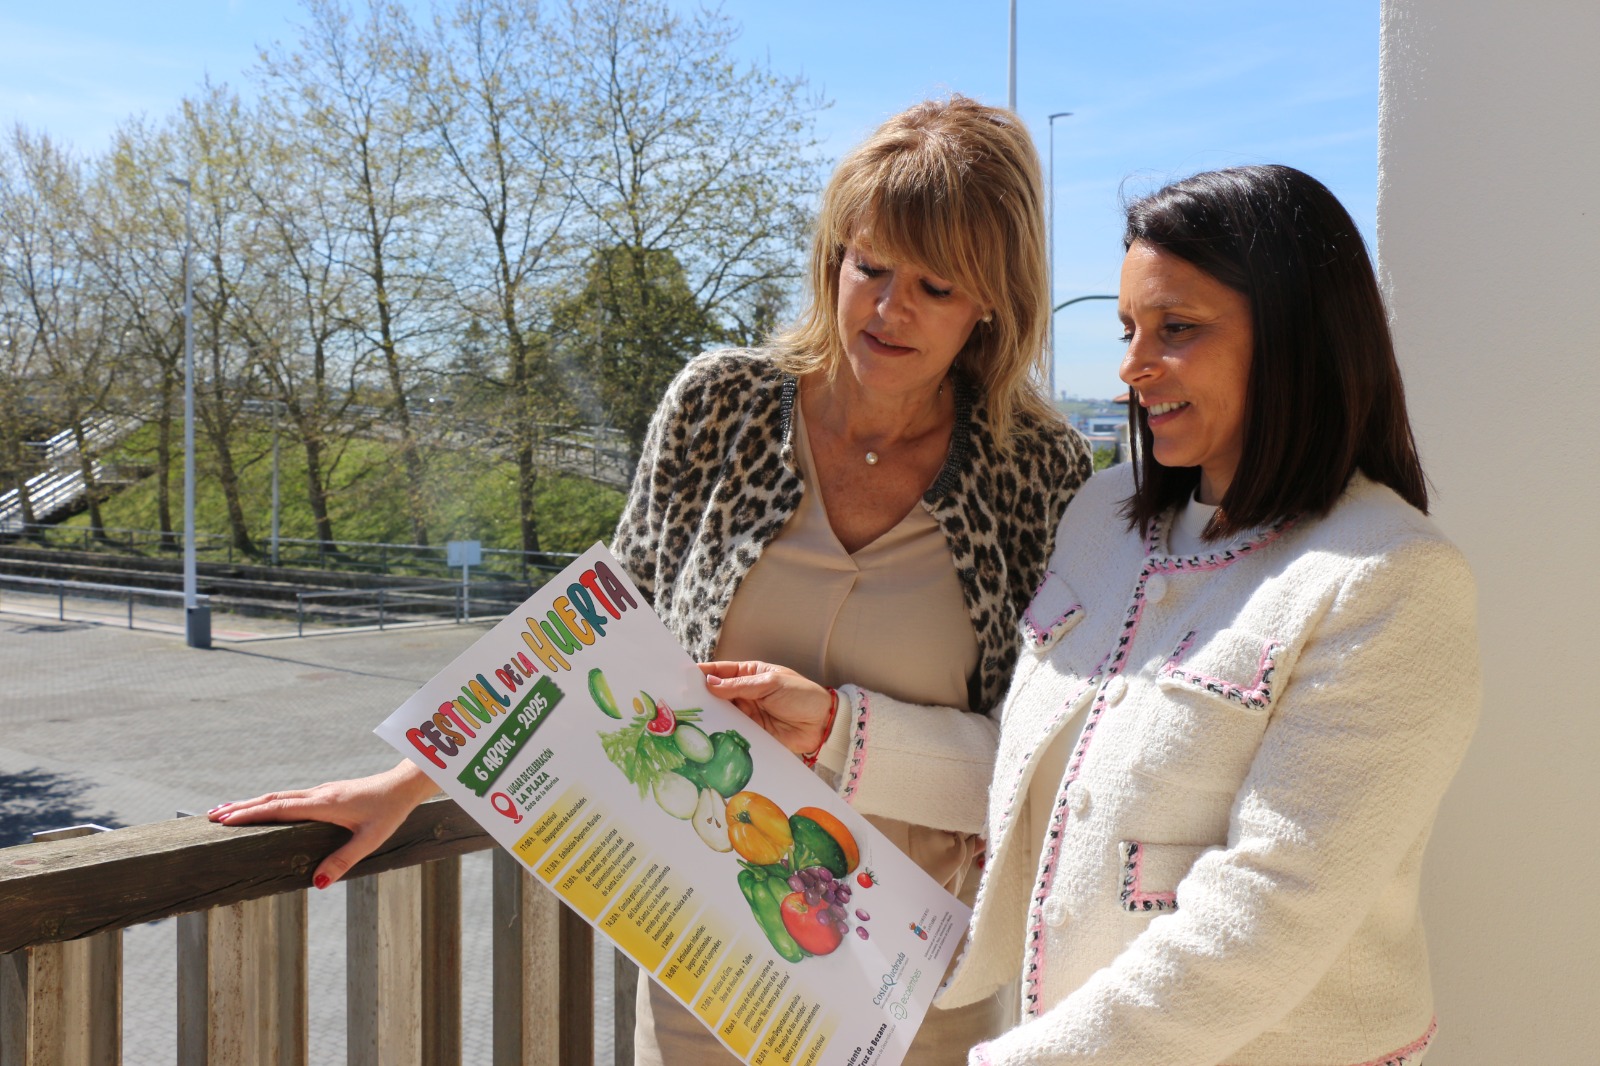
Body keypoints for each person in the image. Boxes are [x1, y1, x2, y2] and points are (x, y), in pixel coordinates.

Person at [211, 95, 1095, 1065]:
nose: (888, 309)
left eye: (935, 286)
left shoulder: (1037, 469)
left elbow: (1046, 759)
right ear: (833, 256)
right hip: (707, 974)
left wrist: (843, 731)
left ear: (990, 302)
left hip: (921, 996)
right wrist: (407, 778)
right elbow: (597, 624)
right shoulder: (721, 407)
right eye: (870, 267)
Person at [711, 165, 1479, 1065]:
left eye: (1177, 329)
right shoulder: (1104, 517)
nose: (1131, 367)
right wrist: (836, 732)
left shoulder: (1389, 578)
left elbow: (1274, 909)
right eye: (1128, 330)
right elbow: (1036, 776)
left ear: (1296, 337)